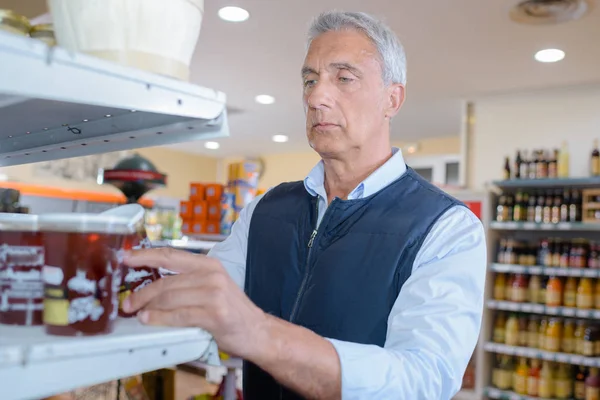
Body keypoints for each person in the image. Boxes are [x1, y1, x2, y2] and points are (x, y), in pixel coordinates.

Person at [123, 10, 486, 400]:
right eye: (309, 80)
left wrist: (261, 334)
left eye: (344, 78)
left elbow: (422, 380)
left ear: (392, 99)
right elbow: (208, 306)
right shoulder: (265, 210)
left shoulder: (445, 228)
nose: (316, 97)